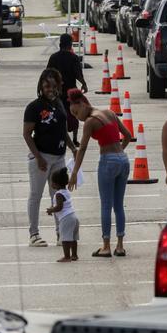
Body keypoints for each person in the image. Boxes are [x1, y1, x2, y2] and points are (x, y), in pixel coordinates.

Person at [67, 89, 133, 258]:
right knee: (119, 205)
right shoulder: (109, 112)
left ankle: (106, 246)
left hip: (107, 161)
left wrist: (74, 172)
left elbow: (82, 149)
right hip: (123, 160)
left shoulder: (90, 121)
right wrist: (118, 154)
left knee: (105, 205)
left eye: (75, 112)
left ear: (82, 104)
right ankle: (120, 246)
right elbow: (127, 136)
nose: (77, 117)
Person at [23, 68, 76, 248]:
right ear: (41, 86)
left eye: (53, 85)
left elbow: (63, 130)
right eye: (46, 86)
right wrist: (38, 157)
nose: (50, 89)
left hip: (59, 157)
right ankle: (34, 234)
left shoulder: (60, 104)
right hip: (42, 157)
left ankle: (61, 233)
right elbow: (27, 134)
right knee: (36, 195)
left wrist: (72, 147)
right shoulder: (34, 107)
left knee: (58, 195)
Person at [47, 34, 88, 145]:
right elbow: (78, 74)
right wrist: (84, 84)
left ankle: (62, 136)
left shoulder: (54, 57)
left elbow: (48, 74)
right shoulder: (73, 57)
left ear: (60, 44)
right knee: (75, 114)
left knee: (60, 114)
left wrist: (50, 88)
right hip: (72, 92)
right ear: (70, 45)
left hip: (57, 92)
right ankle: (74, 139)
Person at [46, 168, 79, 262]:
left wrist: (51, 210)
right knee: (73, 238)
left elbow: (59, 207)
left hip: (66, 218)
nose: (51, 184)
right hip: (73, 216)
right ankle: (74, 255)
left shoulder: (58, 194)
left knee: (65, 238)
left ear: (56, 184)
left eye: (52, 182)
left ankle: (67, 256)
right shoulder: (66, 191)